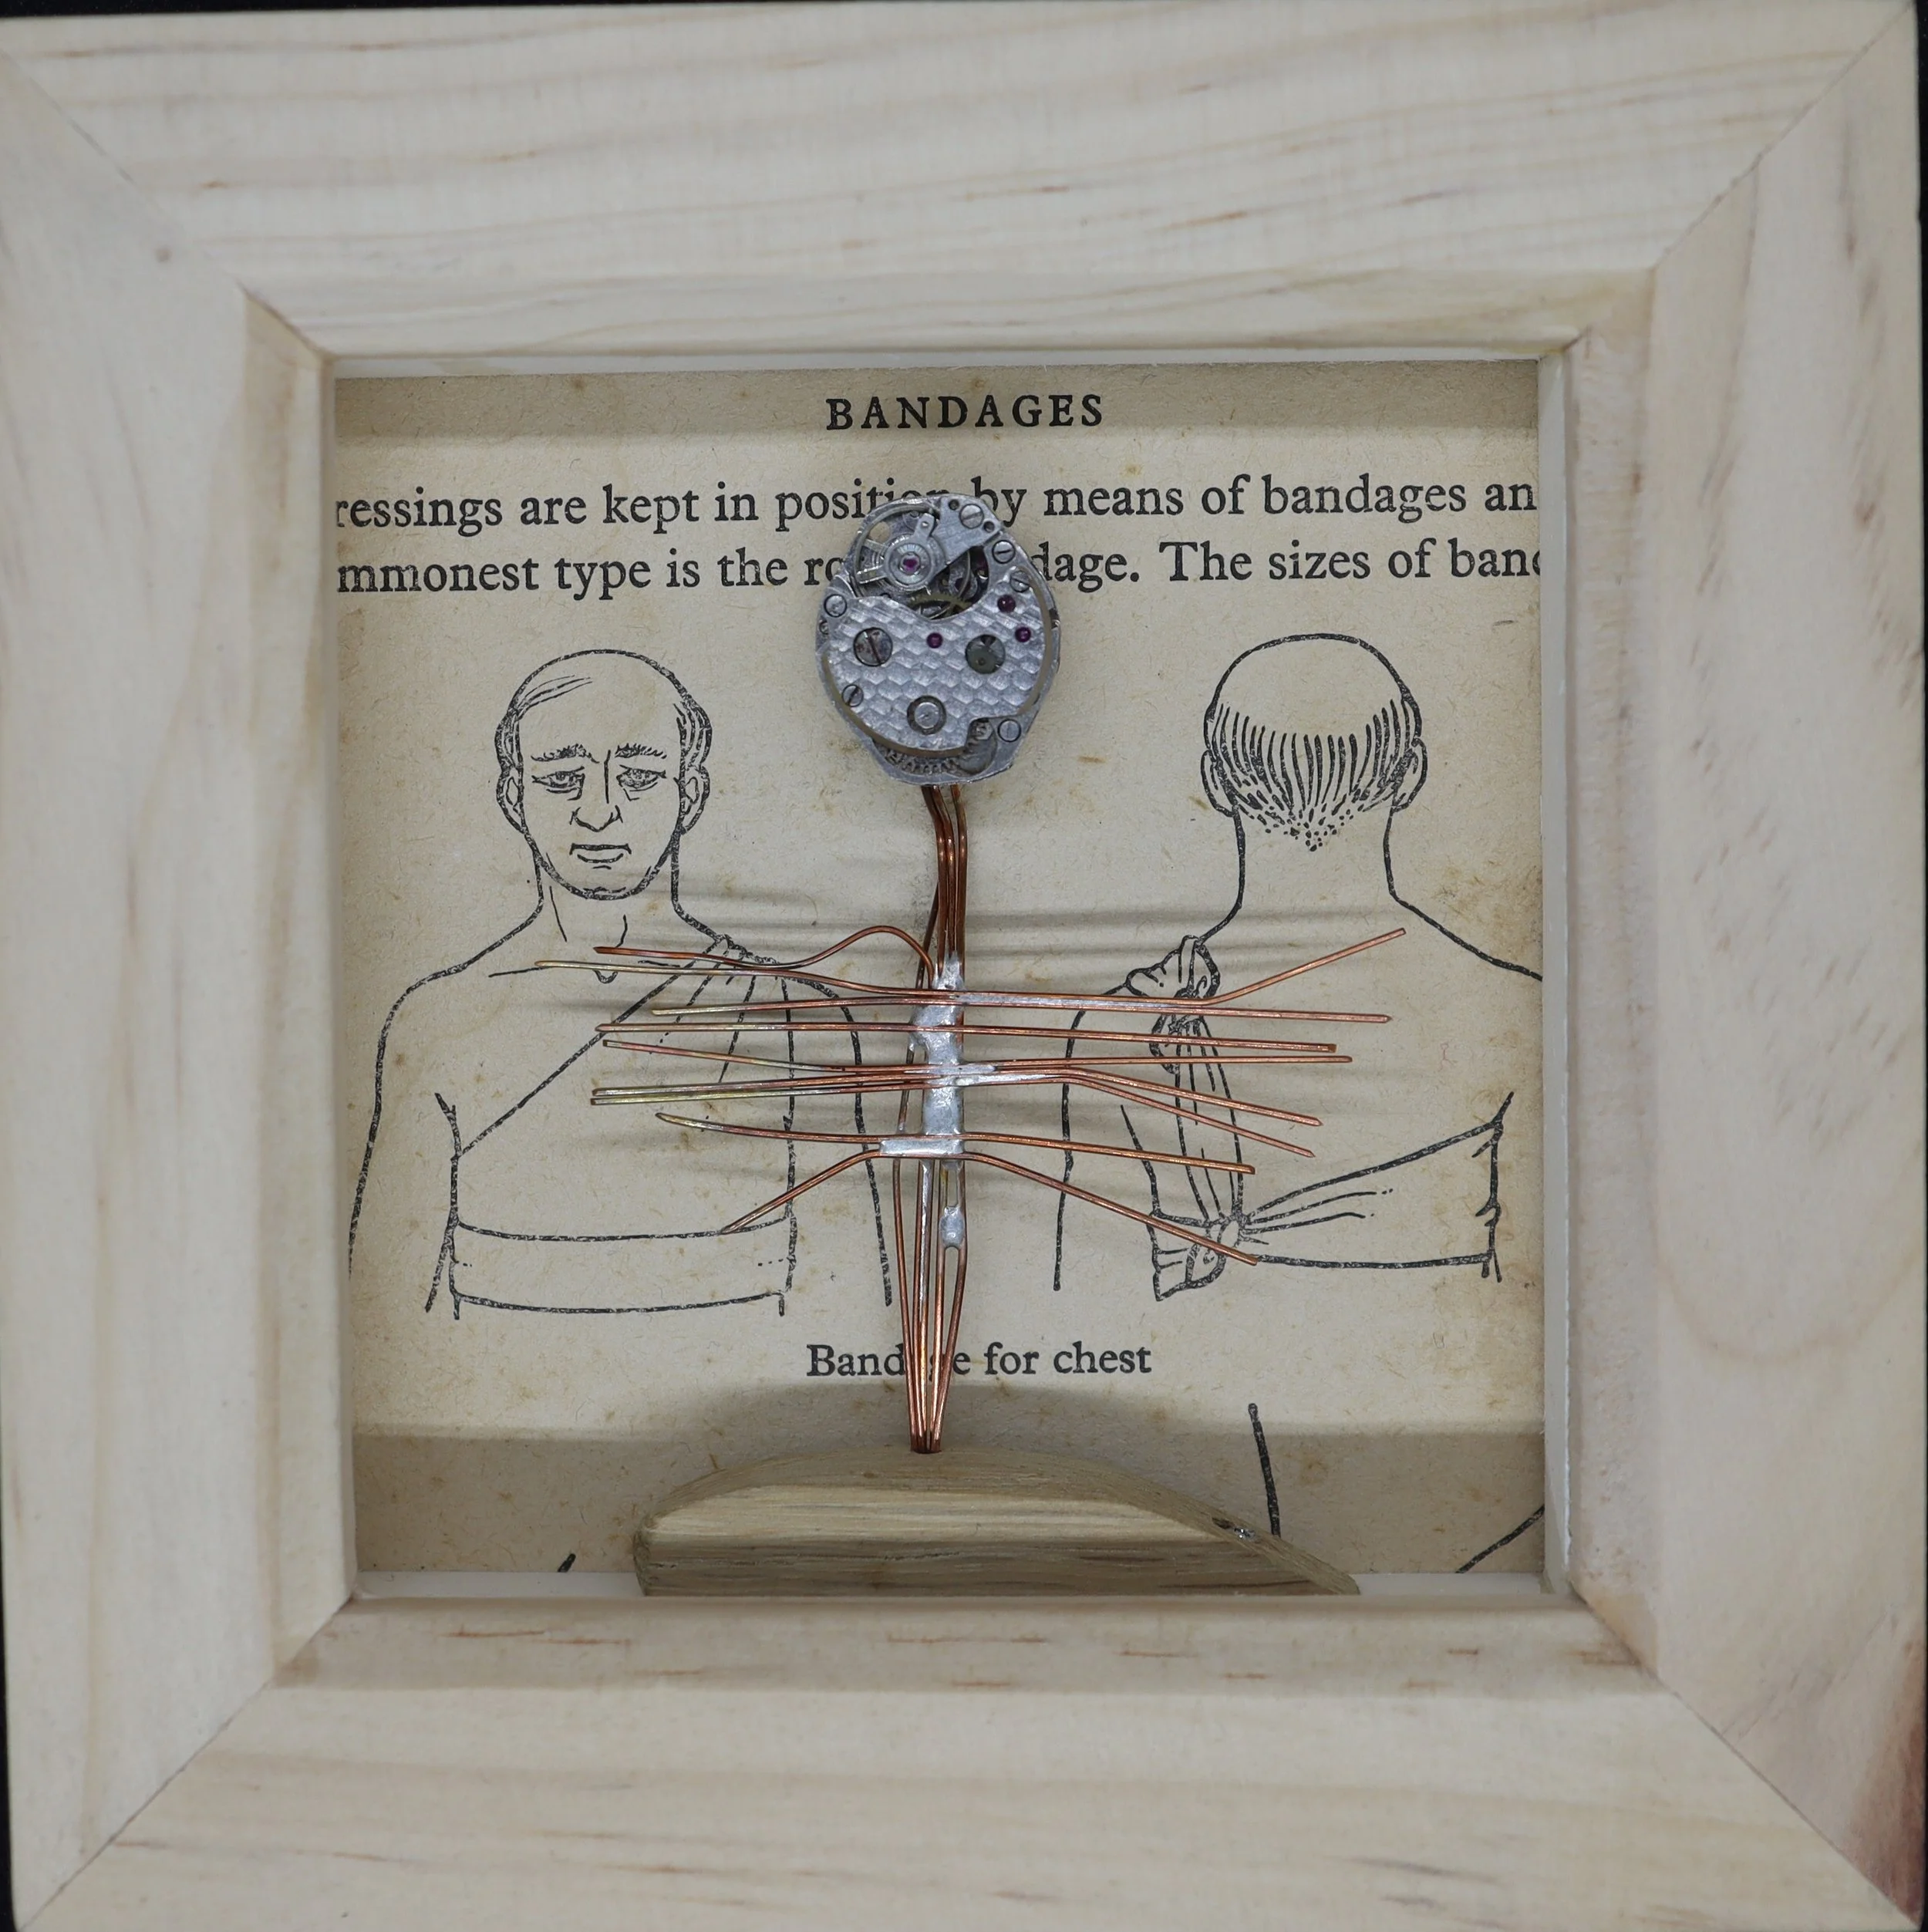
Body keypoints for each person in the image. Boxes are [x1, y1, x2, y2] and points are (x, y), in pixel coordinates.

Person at [349, 649, 884, 1316]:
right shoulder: (436, 1020)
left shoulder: (796, 1017)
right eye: (562, 778)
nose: (599, 812)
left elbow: (850, 1304)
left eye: (637, 776)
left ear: (690, 794)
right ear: (513, 795)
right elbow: (390, 1314)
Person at [1058, 632, 1539, 1297]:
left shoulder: (1114, 1027)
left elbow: (1082, 1295)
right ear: (1411, 774)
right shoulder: (1517, 1012)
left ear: (1215, 783)